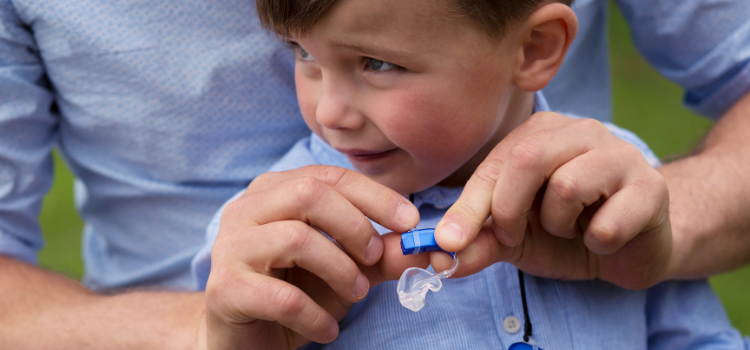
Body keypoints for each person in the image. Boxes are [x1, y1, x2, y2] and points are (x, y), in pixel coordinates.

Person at [0, 0, 749, 348]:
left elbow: (689, 334)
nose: (330, 112)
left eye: (378, 65)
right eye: (304, 57)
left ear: (534, 49)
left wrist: (650, 239)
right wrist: (208, 331)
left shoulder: (610, 186)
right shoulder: (284, 229)